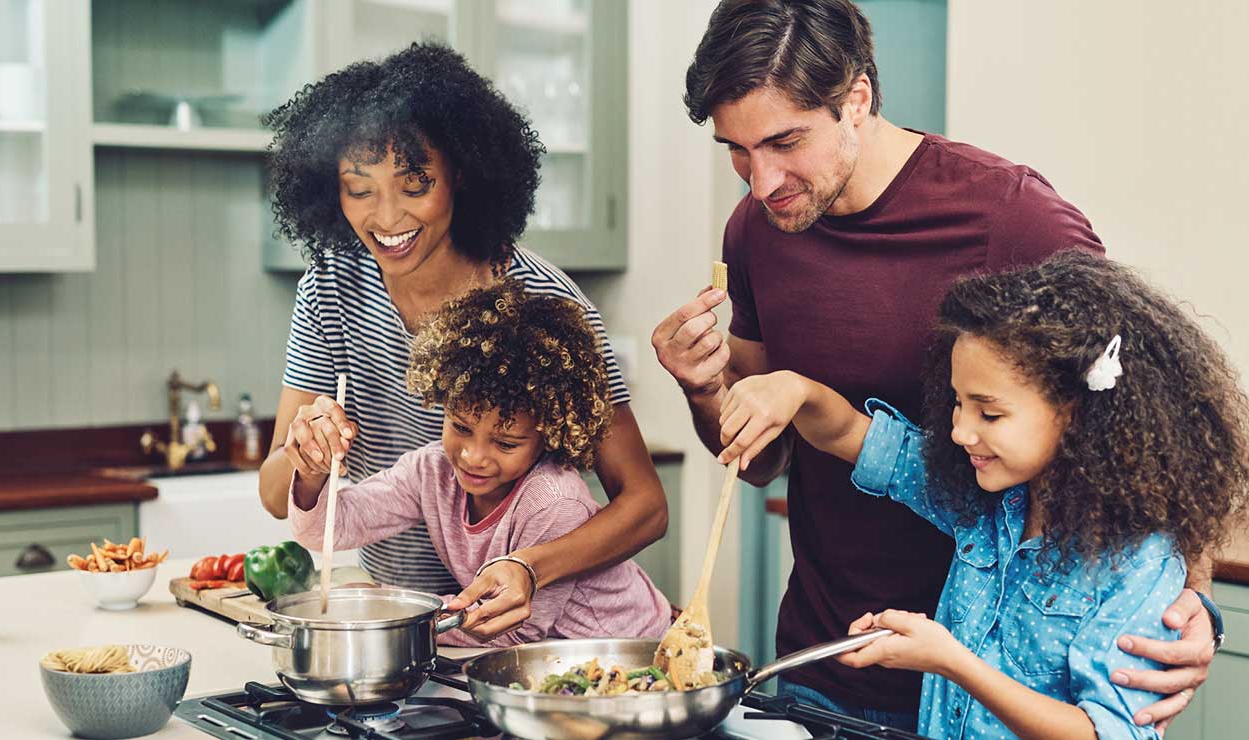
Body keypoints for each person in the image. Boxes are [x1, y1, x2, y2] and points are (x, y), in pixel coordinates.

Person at [653, 0, 1215, 729]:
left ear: (856, 98)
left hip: (1012, 690)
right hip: (825, 660)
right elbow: (765, 461)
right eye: (736, 150)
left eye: (785, 142)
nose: (761, 183)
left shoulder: (1012, 216)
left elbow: (1145, 422)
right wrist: (704, 389)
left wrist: (1188, 603)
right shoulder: (756, 232)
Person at [715, 250, 1249, 739]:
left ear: (1076, 416)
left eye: (989, 413)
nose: (961, 432)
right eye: (956, 404)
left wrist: (950, 660)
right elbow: (850, 435)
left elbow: (1104, 733)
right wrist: (796, 389)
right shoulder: (981, 501)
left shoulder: (1136, 563)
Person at [260, 42, 667, 640]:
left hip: (514, 631)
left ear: (462, 176)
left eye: (415, 183)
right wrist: (307, 456)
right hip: (406, 620)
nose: (387, 216)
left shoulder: (545, 305)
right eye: (360, 188)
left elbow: (645, 506)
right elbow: (278, 495)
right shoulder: (330, 287)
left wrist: (528, 566)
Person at [289, 282, 672, 646]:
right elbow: (328, 529)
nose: (473, 456)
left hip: (628, 645)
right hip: (550, 654)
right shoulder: (432, 472)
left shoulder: (553, 501)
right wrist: (312, 472)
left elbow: (513, 630)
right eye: (460, 426)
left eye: (505, 443)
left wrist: (389, 608)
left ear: (549, 434)